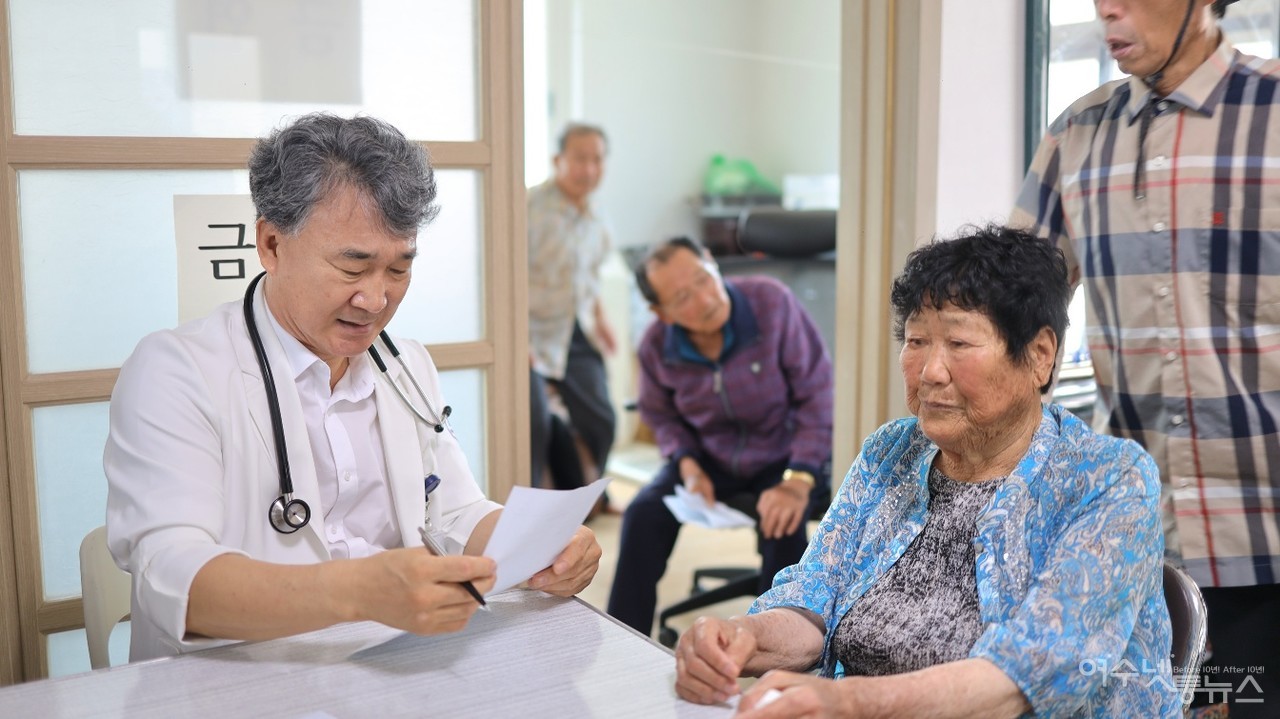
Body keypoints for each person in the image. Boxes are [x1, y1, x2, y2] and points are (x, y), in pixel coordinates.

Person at [105, 113, 601, 661]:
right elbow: (173, 580)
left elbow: (455, 514)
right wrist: (359, 591)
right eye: (352, 267)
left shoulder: (405, 365)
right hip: (233, 683)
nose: (376, 299)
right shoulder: (177, 371)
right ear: (271, 243)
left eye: (398, 269)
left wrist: (540, 547)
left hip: (393, 672)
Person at [674, 226, 1178, 718]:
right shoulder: (891, 452)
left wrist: (848, 703)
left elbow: (1032, 672)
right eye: (916, 341)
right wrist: (743, 636)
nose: (931, 371)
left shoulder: (1109, 480)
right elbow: (814, 598)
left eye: (959, 344)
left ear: (1040, 356)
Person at [1011, 1, 1278, 713]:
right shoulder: (1077, 133)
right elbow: (1012, 302)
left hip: (1268, 524)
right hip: (1138, 531)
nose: (1106, 6)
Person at [607, 236, 833, 637]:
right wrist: (689, 466)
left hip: (784, 455)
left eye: (703, 279)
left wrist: (798, 481)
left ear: (712, 262)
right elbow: (661, 417)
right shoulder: (656, 346)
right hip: (707, 459)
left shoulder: (771, 304)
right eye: (682, 297)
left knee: (783, 525)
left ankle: (779, 657)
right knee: (642, 514)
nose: (705, 299)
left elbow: (817, 395)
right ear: (661, 312)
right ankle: (626, 643)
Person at [527, 123, 617, 494]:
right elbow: (502, 275)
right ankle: (525, 509)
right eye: (580, 159)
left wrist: (601, 319)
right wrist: (516, 340)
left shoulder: (597, 221)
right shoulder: (527, 208)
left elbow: (589, 279)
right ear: (557, 160)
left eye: (597, 159)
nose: (589, 169)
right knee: (533, 424)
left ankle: (588, 495)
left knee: (602, 419)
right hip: (530, 332)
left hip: (576, 331)